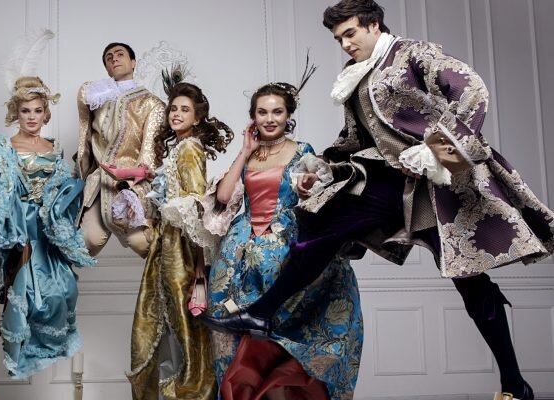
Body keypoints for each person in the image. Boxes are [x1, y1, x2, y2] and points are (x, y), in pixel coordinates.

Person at [204, 1, 554, 399]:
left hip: (441, 187)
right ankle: (260, 313)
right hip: (391, 181)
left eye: (350, 33)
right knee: (322, 222)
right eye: (338, 39)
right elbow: (353, 139)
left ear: (373, 25)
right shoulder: (354, 75)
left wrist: (436, 150)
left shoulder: (414, 53)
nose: (345, 44)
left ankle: (514, 384)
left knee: (470, 282)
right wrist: (319, 169)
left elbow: (471, 91)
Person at [204, 80, 362, 400]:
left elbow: (319, 191)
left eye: (277, 112)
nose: (270, 119)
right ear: (253, 117)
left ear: (288, 115)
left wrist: (308, 187)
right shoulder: (249, 154)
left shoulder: (302, 150)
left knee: (278, 337)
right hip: (241, 249)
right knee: (233, 332)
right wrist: (244, 151)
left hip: (285, 244)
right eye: (262, 112)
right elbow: (223, 196)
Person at [0, 76, 95, 379]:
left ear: (45, 113)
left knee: (63, 290)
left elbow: (63, 189)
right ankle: (20, 354)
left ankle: (48, 346)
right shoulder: (6, 147)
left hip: (48, 227)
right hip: (20, 227)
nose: (31, 117)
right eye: (25, 111)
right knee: (27, 290)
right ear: (16, 112)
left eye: (37, 111)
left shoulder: (54, 147)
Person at [128, 80, 232, 400]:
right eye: (173, 108)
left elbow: (198, 207)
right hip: (168, 242)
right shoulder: (179, 147)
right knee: (169, 321)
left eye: (184, 110)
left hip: (182, 248)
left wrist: (200, 265)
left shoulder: (189, 148)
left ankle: (190, 390)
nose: (176, 114)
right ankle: (176, 389)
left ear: (197, 117)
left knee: (184, 323)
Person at [75, 42, 165, 258]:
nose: (114, 58)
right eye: (109, 57)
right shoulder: (97, 99)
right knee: (88, 241)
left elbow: (149, 154)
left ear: (133, 63)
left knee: (142, 242)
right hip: (100, 183)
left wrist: (134, 189)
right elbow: (86, 138)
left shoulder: (151, 103)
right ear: (107, 69)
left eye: (120, 54)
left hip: (134, 184)